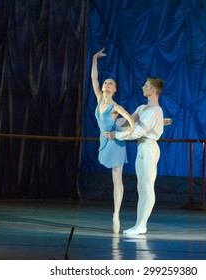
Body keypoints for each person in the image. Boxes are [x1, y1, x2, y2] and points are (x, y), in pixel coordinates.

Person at [105, 77, 164, 235]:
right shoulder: (142, 108)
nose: (143, 87)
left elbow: (136, 132)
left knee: (147, 186)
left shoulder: (155, 110)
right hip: (142, 148)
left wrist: (116, 135)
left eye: (146, 86)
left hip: (150, 148)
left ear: (153, 90)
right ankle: (139, 224)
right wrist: (115, 114)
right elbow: (128, 123)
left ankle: (142, 225)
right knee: (140, 187)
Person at [91, 48, 135, 234]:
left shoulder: (116, 107)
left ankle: (116, 214)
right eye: (106, 82)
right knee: (113, 177)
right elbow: (94, 78)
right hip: (104, 140)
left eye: (111, 83)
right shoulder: (99, 98)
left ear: (114, 89)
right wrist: (94, 59)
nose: (106, 84)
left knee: (117, 179)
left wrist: (121, 135)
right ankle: (116, 213)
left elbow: (131, 122)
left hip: (116, 143)